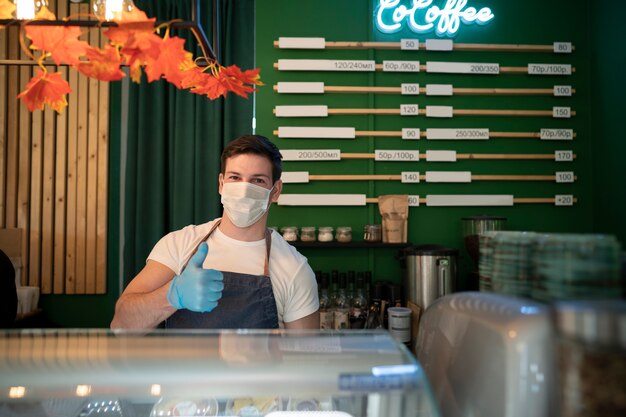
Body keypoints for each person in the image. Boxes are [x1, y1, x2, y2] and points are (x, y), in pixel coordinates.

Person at [111, 135, 319, 330]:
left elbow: (305, 358)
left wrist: (266, 348)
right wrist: (172, 295)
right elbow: (121, 325)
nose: (244, 189)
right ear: (221, 184)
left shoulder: (294, 269)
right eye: (235, 177)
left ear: (275, 191)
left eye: (257, 181)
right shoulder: (179, 244)